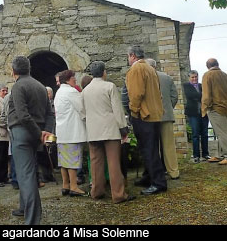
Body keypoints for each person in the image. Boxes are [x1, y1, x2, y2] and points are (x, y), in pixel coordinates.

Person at [8, 56, 54, 225]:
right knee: (28, 171)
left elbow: (22, 114)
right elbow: (50, 113)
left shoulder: (19, 86)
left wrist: (37, 133)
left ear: (13, 71)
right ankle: (23, 207)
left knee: (26, 176)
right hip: (36, 134)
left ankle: (33, 221)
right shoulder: (41, 86)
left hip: (22, 133)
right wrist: (45, 132)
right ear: (29, 68)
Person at [82, 61, 135, 203]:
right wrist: (123, 128)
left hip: (93, 130)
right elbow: (117, 109)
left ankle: (97, 191)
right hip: (110, 129)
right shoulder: (109, 86)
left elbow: (82, 112)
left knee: (96, 163)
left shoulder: (85, 90)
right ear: (104, 72)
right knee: (113, 163)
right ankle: (118, 194)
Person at [126, 46, 167, 195]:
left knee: (149, 150)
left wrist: (133, 111)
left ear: (132, 56)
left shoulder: (136, 70)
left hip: (144, 115)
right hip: (154, 113)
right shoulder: (150, 68)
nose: (128, 59)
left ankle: (158, 182)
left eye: (128, 56)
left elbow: (136, 94)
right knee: (150, 148)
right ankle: (149, 176)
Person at [54, 70, 87, 197]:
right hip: (72, 131)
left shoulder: (59, 92)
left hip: (62, 131)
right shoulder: (71, 91)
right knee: (73, 160)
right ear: (67, 79)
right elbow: (82, 108)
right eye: (73, 77)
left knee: (63, 161)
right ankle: (74, 186)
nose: (75, 79)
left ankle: (65, 185)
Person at [146, 59, 179, 179]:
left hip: (151, 117)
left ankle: (158, 172)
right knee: (169, 145)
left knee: (154, 145)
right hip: (166, 116)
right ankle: (174, 172)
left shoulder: (146, 78)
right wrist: (168, 108)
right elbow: (174, 96)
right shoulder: (167, 77)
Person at [202, 58, 227, 165]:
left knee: (222, 133)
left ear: (207, 66)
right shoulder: (224, 75)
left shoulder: (207, 75)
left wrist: (204, 108)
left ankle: (226, 155)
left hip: (215, 108)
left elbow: (206, 95)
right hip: (225, 107)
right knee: (220, 131)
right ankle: (219, 155)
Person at [183, 70, 210, 163]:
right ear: (189, 78)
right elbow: (191, 95)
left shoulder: (202, 86)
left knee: (205, 134)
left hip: (203, 113)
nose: (194, 79)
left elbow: (207, 96)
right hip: (193, 113)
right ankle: (196, 155)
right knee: (195, 135)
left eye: (196, 77)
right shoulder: (186, 86)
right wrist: (202, 96)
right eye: (192, 77)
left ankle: (206, 154)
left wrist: (201, 97)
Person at [0, 84, 10, 186]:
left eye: (6, 91)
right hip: (0, 133)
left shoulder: (5, 101)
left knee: (5, 157)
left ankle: (3, 177)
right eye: (3, 90)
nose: (5, 92)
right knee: (0, 157)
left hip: (6, 134)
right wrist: (7, 123)